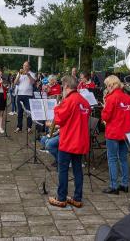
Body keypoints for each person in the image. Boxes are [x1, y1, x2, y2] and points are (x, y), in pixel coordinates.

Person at [48, 76, 91, 208]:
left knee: (63, 169)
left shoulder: (69, 100)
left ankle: (61, 198)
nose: (62, 90)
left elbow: (59, 119)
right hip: (80, 140)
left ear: (66, 86)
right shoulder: (84, 101)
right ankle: (77, 198)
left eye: (63, 87)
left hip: (69, 140)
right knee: (78, 169)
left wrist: (57, 106)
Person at [101, 75, 130, 194]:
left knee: (112, 159)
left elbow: (105, 117)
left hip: (114, 133)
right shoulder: (128, 98)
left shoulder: (111, 98)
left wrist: (104, 107)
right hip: (125, 133)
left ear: (111, 85)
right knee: (124, 159)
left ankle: (114, 186)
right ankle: (124, 184)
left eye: (107, 85)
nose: (106, 88)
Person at [14, 61, 36, 133]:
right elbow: (15, 83)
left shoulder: (32, 74)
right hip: (20, 95)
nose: (24, 67)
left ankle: (29, 127)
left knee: (29, 112)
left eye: (26, 66)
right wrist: (19, 75)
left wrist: (28, 75)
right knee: (20, 111)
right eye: (23, 65)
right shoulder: (19, 74)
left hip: (28, 95)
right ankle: (19, 127)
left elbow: (33, 82)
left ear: (29, 67)